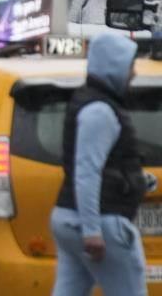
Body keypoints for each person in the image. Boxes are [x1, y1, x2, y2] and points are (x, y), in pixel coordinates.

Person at [50, 33, 152, 296]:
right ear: (114, 66)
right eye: (130, 66)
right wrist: (92, 230)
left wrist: (139, 180)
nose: (133, 74)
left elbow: (102, 166)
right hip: (103, 222)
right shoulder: (100, 112)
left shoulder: (92, 103)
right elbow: (87, 171)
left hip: (69, 218)